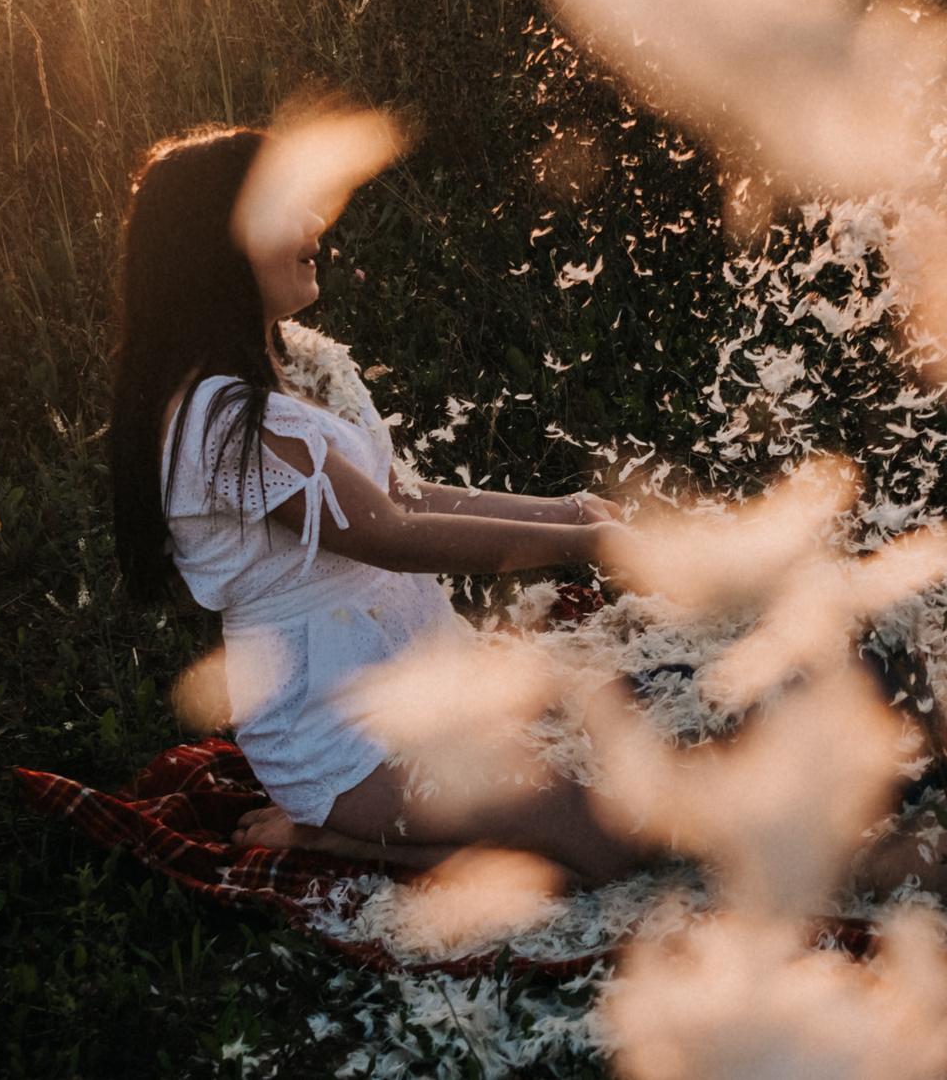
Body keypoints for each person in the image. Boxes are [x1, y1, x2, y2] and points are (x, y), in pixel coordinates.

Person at [107, 126, 643, 882]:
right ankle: (343, 836)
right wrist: (586, 548)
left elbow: (396, 495)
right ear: (221, 246)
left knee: (636, 735)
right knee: (605, 840)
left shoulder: (298, 363)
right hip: (341, 734)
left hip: (420, 672)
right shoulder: (225, 422)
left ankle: (384, 830)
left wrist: (567, 510)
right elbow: (391, 535)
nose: (315, 226)